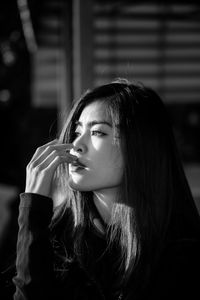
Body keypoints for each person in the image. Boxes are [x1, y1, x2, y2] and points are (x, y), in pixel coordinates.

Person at [13, 79, 200, 300]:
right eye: (77, 131)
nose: (76, 145)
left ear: (141, 145)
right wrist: (33, 209)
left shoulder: (182, 252)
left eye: (98, 132)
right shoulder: (54, 239)